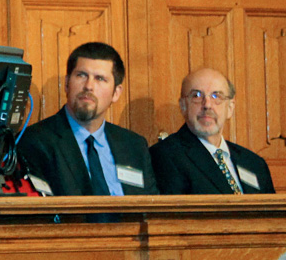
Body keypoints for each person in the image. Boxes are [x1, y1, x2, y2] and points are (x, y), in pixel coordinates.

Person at [17, 41, 158, 196]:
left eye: (100, 79)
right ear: (66, 84)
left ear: (116, 93)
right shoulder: (36, 142)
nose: (89, 86)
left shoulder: (134, 146)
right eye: (81, 75)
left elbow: (150, 210)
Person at [150, 67, 274, 195]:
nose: (207, 105)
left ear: (230, 108)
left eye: (216, 96)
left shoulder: (254, 164)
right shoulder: (165, 156)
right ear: (183, 106)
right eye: (197, 96)